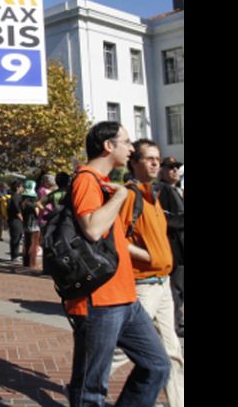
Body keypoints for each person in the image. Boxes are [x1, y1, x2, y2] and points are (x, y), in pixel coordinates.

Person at [65, 121, 169, 406]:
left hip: (125, 297)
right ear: (108, 146)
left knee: (157, 365)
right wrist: (122, 195)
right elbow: (92, 228)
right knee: (91, 387)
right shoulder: (86, 179)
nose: (131, 148)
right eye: (126, 142)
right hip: (99, 300)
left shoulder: (103, 183)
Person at [110, 139, 184, 406]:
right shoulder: (129, 195)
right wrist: (148, 256)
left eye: (158, 159)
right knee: (120, 351)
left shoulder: (154, 195)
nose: (156, 163)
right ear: (134, 163)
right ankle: (86, 385)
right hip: (143, 285)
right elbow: (115, 239)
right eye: (149, 158)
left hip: (163, 286)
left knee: (173, 352)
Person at [156, 156, 184, 338]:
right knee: (176, 288)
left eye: (176, 167)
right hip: (174, 248)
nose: (174, 170)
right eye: (170, 167)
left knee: (180, 287)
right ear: (162, 170)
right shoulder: (163, 190)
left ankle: (178, 320)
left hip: (180, 246)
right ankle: (174, 323)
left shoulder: (174, 189)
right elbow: (165, 220)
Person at [20, 180, 41, 269]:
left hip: (25, 224)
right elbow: (38, 213)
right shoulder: (33, 204)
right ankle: (32, 263)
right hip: (34, 225)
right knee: (33, 244)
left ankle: (26, 262)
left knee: (26, 243)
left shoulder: (23, 202)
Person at [6, 181, 24, 263]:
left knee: (16, 237)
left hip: (13, 219)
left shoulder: (14, 196)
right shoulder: (16, 197)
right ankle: (14, 255)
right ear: (17, 187)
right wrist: (22, 218)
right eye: (21, 187)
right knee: (16, 237)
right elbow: (17, 209)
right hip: (15, 220)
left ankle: (14, 255)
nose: (22, 188)